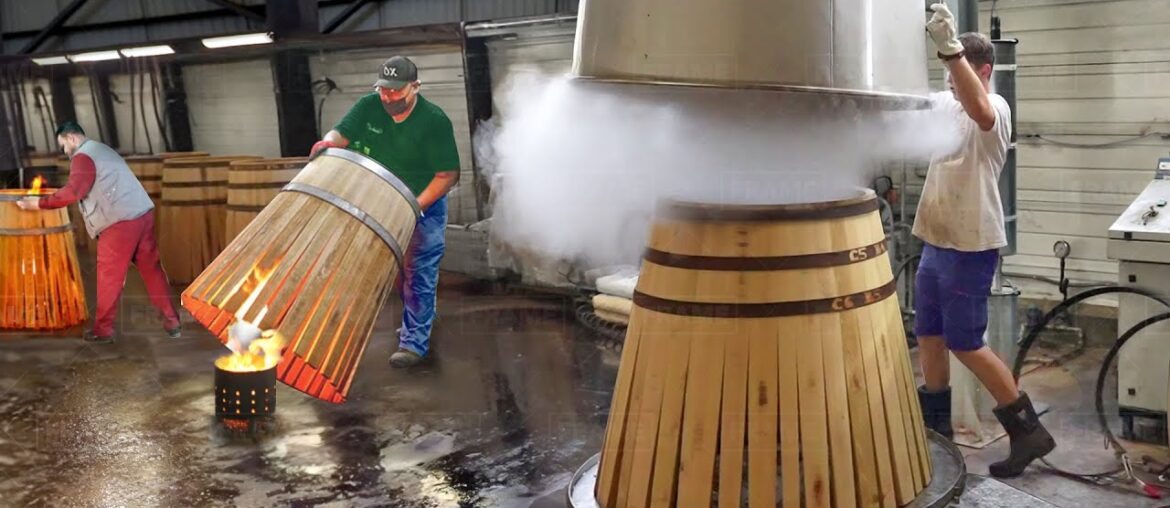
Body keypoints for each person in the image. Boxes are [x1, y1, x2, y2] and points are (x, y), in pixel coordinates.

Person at [916, 4, 1055, 478]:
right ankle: (935, 434)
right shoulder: (946, 103)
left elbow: (979, 109)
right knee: (929, 334)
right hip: (935, 239)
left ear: (983, 71)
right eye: (948, 76)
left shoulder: (996, 107)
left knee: (966, 343)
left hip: (970, 245)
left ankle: (1029, 434)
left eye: (958, 74)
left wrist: (951, 50)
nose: (952, 84)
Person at [310, 56, 460, 368]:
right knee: (395, 267)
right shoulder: (369, 106)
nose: (388, 97)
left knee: (419, 269)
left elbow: (447, 175)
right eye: (384, 90)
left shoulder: (434, 120)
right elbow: (341, 134)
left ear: (415, 87)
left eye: (396, 91)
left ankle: (414, 342)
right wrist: (327, 143)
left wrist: (412, 206)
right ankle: (418, 319)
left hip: (423, 204)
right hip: (377, 197)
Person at [15, 121, 181, 343]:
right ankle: (172, 322)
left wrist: (38, 204)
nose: (64, 151)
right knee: (152, 270)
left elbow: (74, 191)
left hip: (119, 222)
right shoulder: (103, 149)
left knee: (109, 277)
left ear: (72, 137)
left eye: (63, 145)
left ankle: (103, 331)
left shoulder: (83, 156)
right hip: (141, 213)